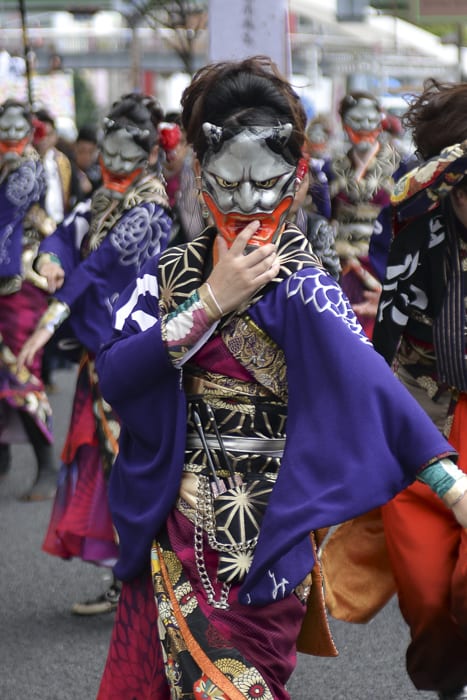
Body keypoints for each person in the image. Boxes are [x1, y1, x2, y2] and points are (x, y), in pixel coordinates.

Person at [93, 57, 467, 700]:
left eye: (263, 184)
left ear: (294, 178)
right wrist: (210, 300)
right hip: (171, 533)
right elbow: (115, 374)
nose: (245, 205)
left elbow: (367, 380)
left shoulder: (301, 281)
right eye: (227, 185)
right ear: (200, 176)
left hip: (260, 546)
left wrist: (451, 484)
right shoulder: (173, 271)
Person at [17, 92, 172, 615]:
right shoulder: (102, 196)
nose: (116, 164)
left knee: (132, 462)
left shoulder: (151, 208)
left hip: (133, 352)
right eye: (110, 153)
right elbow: (66, 235)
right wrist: (49, 257)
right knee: (106, 462)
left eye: (129, 155)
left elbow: (102, 267)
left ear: (149, 154)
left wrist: (48, 321)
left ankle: (147, 578)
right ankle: (126, 574)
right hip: (99, 350)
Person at [372, 78, 467, 700]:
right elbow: (380, 350)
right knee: (430, 593)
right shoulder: (416, 235)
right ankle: (446, 678)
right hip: (424, 417)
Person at [0, 98, 58, 499]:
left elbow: (7, 214)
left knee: (21, 370)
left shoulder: (28, 169)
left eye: (15, 127)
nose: (8, 134)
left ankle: (47, 466)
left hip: (19, 283)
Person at [325, 90, 398, 337]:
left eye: (371, 119)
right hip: (341, 265)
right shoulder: (332, 167)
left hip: (382, 262)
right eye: (357, 120)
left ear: (381, 121)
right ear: (345, 123)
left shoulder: (399, 165)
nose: (365, 127)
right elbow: (322, 215)